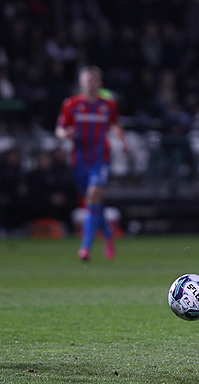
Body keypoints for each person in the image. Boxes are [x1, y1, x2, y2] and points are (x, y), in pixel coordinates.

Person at [55, 66, 127, 261]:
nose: (90, 84)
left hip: (100, 158)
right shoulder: (71, 104)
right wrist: (65, 134)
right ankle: (109, 237)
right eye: (87, 80)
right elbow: (60, 129)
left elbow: (115, 124)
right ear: (81, 83)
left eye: (94, 80)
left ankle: (85, 247)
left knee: (92, 195)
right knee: (93, 203)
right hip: (79, 160)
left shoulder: (108, 105)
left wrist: (123, 141)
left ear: (99, 84)